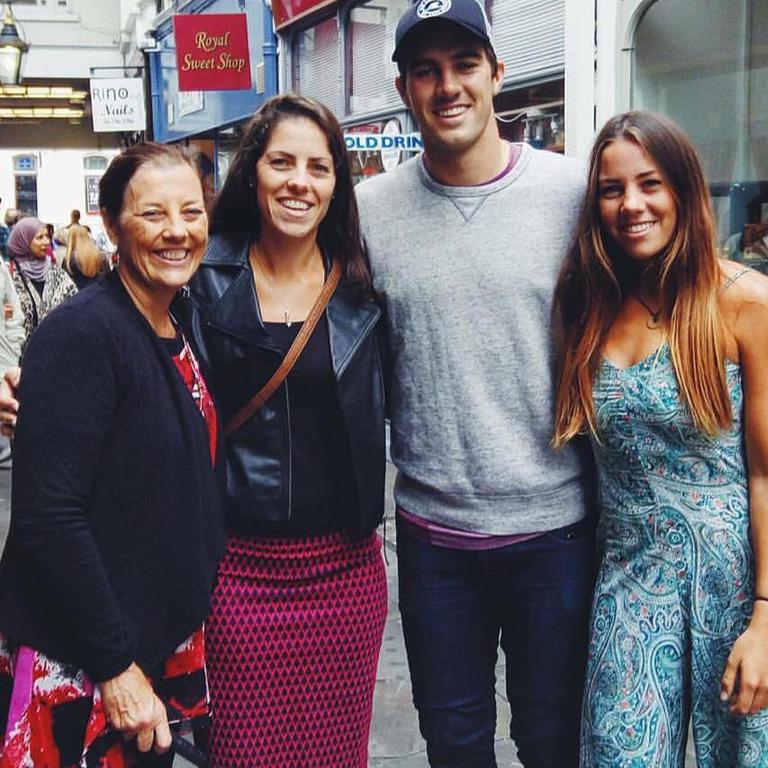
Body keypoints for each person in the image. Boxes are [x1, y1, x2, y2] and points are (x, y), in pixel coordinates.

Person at [354, 1, 595, 765]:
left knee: (551, 741)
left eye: (463, 64)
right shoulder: (365, 211)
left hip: (557, 530)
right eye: (426, 70)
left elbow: (669, 279)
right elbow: (269, 286)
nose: (446, 85)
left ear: (499, 72)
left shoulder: (573, 194)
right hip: (433, 540)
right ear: (403, 88)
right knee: (453, 745)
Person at [553, 110, 768, 766]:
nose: (632, 205)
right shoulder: (587, 304)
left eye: (650, 184)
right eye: (612, 190)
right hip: (628, 581)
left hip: (735, 587)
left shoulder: (743, 303)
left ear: (683, 188)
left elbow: (766, 473)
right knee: (621, 753)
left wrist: (767, 618)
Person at [0, 142, 225, 767]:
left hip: (142, 645)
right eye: (153, 214)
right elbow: (50, 520)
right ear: (111, 225)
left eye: (191, 211)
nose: (177, 230)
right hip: (85, 667)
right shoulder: (85, 333)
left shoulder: (175, 318)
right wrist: (118, 668)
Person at [186, 93, 387, 767]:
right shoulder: (200, 280)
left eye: (319, 168)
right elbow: (128, 348)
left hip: (346, 576)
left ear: (336, 184)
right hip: (239, 576)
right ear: (253, 173)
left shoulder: (362, 284)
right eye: (282, 163)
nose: (299, 182)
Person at [6, 216, 77, 350]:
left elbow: (75, 305)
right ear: (23, 241)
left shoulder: (57, 273)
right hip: (18, 360)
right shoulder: (9, 275)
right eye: (39, 237)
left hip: (55, 356)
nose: (46, 241)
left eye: (47, 236)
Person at [63, 222, 110, 289]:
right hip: (100, 294)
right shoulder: (100, 256)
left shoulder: (68, 261)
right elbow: (108, 278)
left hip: (81, 296)